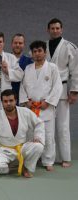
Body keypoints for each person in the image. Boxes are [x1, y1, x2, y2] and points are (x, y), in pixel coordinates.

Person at [0, 89, 45, 178]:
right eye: (5, 101)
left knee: (38, 146)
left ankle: (25, 167)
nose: (8, 103)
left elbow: (39, 123)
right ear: (2, 102)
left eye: (11, 100)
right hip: (4, 151)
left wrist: (37, 136)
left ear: (15, 101)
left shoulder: (25, 112)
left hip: (22, 148)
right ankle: (13, 168)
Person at [20, 40, 62, 171]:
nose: (37, 54)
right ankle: (32, 157)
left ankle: (48, 160)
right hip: (31, 107)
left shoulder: (52, 68)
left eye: (40, 51)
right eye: (35, 51)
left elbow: (57, 87)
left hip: (46, 107)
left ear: (45, 52)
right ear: (31, 54)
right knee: (31, 135)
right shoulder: (28, 68)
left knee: (48, 135)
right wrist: (26, 101)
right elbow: (23, 87)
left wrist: (48, 102)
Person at [46, 18, 78, 168]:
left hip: (63, 89)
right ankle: (48, 158)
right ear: (48, 30)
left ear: (62, 29)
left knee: (63, 125)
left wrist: (75, 90)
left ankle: (65, 157)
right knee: (46, 125)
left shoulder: (69, 47)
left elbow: (75, 71)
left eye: (57, 28)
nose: (55, 30)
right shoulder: (43, 47)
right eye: (52, 28)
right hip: (45, 91)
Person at [10, 33, 33, 102]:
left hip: (24, 98)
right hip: (7, 96)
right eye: (15, 43)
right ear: (11, 44)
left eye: (20, 43)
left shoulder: (30, 62)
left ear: (24, 45)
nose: (17, 45)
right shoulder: (5, 59)